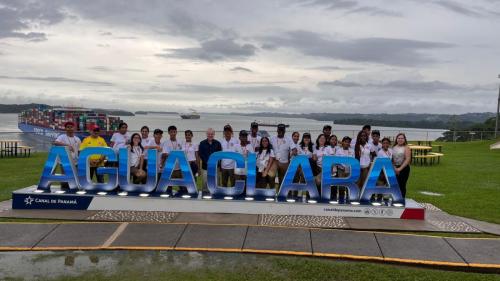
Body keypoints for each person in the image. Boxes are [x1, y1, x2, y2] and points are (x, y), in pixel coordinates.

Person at [54, 121, 81, 190]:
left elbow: (79, 150)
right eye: (68, 127)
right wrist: (67, 145)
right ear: (65, 129)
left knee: (75, 177)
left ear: (74, 128)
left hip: (75, 161)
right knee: (65, 177)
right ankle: (64, 190)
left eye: (71, 127)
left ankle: (74, 190)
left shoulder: (77, 139)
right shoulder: (62, 137)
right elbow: (55, 143)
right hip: (64, 161)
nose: (69, 129)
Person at [162, 125, 185, 193]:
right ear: (169, 133)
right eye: (171, 132)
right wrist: (174, 154)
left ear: (176, 132)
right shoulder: (166, 143)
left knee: (183, 187)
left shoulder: (180, 142)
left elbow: (183, 153)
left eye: (174, 132)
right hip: (169, 168)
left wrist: (172, 154)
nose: (173, 133)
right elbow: (164, 154)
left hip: (179, 168)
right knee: (168, 187)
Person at [198, 128, 222, 192]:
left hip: (215, 167)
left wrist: (214, 163)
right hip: (205, 167)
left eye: (212, 134)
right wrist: (208, 162)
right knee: (205, 183)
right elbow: (200, 154)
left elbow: (219, 155)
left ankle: (216, 196)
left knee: (216, 183)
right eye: (209, 134)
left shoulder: (218, 143)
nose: (210, 135)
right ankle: (205, 195)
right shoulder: (202, 143)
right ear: (206, 134)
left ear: (214, 134)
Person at [335, 136, 355, 202]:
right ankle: (341, 198)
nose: (347, 143)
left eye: (348, 142)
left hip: (349, 170)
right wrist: (343, 167)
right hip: (341, 169)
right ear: (342, 142)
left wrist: (347, 167)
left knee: (348, 184)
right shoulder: (338, 150)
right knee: (341, 184)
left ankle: (348, 198)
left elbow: (353, 160)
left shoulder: (352, 151)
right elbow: (336, 161)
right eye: (345, 141)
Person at [393, 133, 411, 198]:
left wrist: (400, 169)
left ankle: (402, 199)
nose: (400, 139)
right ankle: (395, 198)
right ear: (396, 139)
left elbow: (408, 159)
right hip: (395, 168)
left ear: (404, 139)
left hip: (404, 168)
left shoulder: (406, 147)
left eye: (402, 138)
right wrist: (395, 168)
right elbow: (391, 159)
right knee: (395, 185)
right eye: (399, 138)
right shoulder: (394, 147)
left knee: (402, 185)